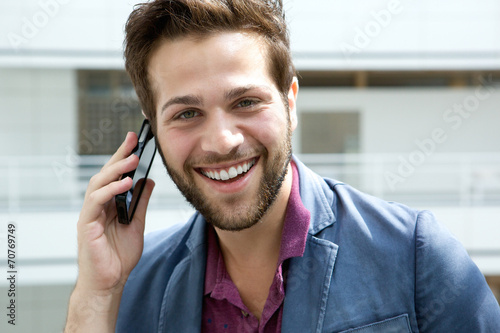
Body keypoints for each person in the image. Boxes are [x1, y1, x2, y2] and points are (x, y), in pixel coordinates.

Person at [65, 0, 500, 332]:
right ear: (153, 134)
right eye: (186, 113)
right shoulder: (129, 286)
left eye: (246, 102)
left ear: (291, 104)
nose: (222, 141)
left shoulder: (417, 256)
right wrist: (95, 296)